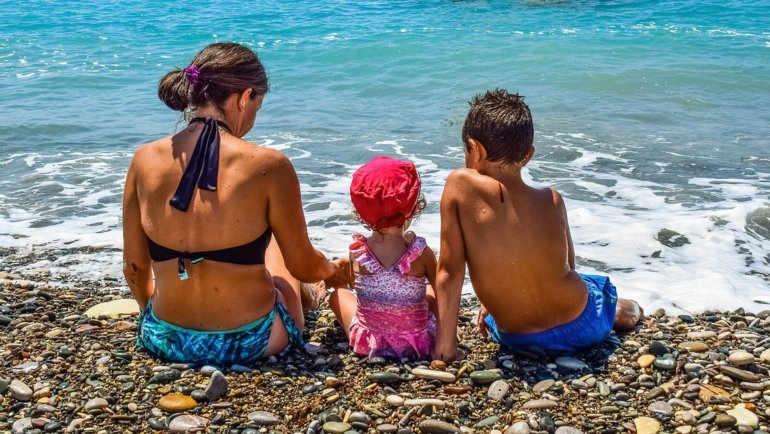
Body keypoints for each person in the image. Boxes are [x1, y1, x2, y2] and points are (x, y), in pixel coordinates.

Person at [122, 42, 348, 367]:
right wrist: (331, 270)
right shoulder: (269, 165)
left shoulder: (144, 160)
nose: (254, 115)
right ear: (244, 97)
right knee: (280, 254)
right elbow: (302, 265)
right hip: (252, 340)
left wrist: (150, 315)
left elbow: (134, 265)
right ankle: (313, 295)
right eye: (257, 105)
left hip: (166, 339)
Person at [433, 89, 642, 361]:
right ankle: (631, 310)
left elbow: (450, 272)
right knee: (599, 293)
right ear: (528, 155)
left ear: (475, 149)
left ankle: (622, 310)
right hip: (584, 325)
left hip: (518, 336)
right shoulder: (553, 200)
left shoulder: (458, 186)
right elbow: (566, 266)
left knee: (509, 305)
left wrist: (446, 348)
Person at [328, 156, 445, 359]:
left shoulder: (357, 251)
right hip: (417, 343)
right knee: (430, 293)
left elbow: (357, 288)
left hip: (368, 344)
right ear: (414, 206)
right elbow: (444, 290)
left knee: (338, 294)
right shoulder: (420, 252)